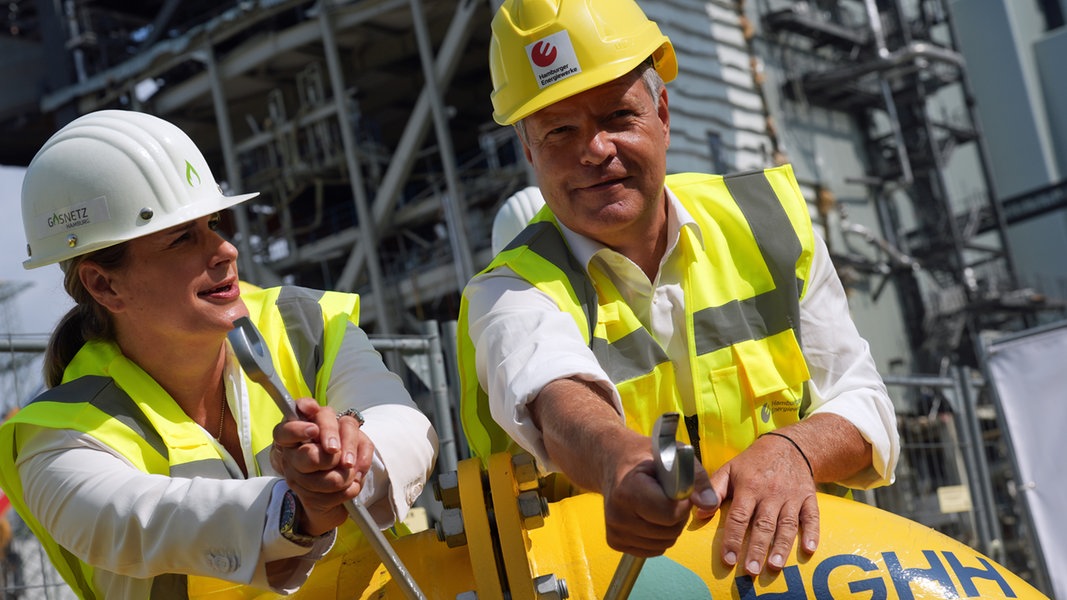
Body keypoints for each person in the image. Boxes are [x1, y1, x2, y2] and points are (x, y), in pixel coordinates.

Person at [458, 0, 899, 578]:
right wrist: (616, 460)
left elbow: (864, 405)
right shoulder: (508, 291)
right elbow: (552, 392)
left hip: (800, 578)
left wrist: (795, 450)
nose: (594, 151)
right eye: (561, 131)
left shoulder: (765, 224)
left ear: (662, 112)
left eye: (617, 116)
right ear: (529, 151)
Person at [0, 109, 438, 598]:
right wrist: (298, 509)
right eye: (182, 237)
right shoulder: (59, 439)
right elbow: (145, 519)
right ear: (104, 284)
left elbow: (406, 425)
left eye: (212, 223)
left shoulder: (304, 324)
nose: (226, 249)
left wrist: (351, 455)